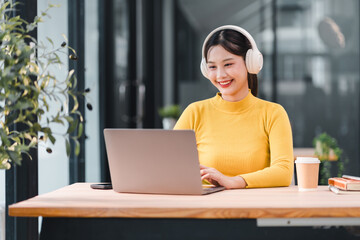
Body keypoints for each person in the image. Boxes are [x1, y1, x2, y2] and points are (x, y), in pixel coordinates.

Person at [174, 25, 293, 189]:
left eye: (228, 64)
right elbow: (169, 166)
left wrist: (235, 181)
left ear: (250, 63)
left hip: (254, 209)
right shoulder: (195, 112)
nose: (220, 75)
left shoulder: (273, 113)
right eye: (212, 67)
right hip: (204, 208)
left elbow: (283, 172)